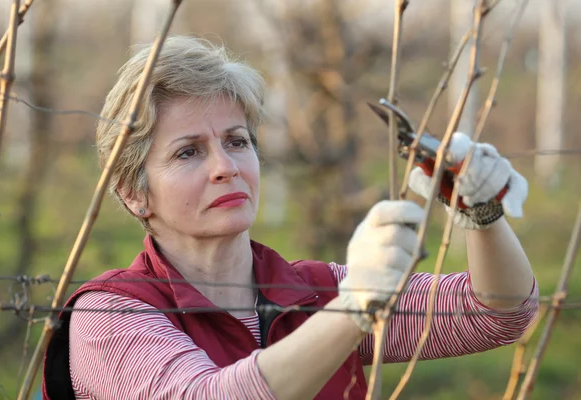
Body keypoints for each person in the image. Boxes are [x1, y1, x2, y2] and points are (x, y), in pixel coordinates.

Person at [42, 35, 539, 400]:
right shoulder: (109, 316)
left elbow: (496, 313)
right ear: (133, 193)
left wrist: (480, 208)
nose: (226, 167)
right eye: (189, 153)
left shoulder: (310, 291)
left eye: (236, 141)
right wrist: (355, 309)